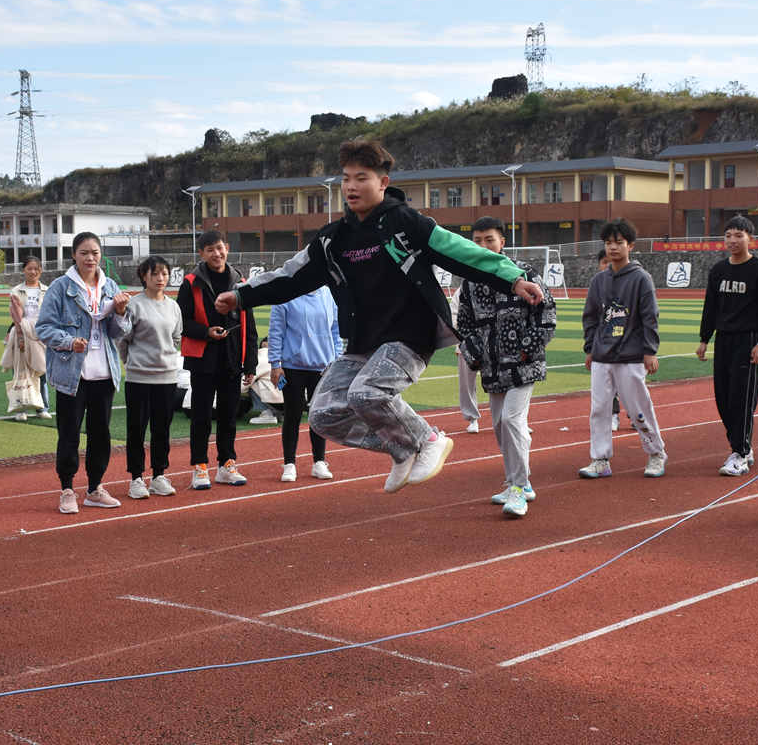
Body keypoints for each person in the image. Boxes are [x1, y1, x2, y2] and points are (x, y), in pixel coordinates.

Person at [215, 139, 544, 493]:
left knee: (366, 394)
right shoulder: (333, 240)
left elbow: (459, 251)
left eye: (362, 178)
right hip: (362, 343)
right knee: (324, 414)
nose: (351, 187)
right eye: (345, 179)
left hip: (408, 336)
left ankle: (428, 438)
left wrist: (512, 278)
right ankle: (401, 447)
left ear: (383, 183)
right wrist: (241, 295)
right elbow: (290, 276)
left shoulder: (404, 224)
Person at [456, 217, 556, 517]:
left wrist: (526, 349)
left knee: (512, 420)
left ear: (502, 242)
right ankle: (516, 482)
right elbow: (464, 324)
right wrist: (474, 353)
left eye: (489, 239)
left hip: (523, 366)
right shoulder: (471, 282)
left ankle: (518, 487)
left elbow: (547, 315)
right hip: (492, 368)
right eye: (477, 240)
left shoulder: (525, 274)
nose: (483, 245)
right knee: (501, 426)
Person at [35, 231, 131, 514]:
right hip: (71, 374)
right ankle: (67, 489)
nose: (90, 258)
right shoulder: (60, 287)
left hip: (104, 372)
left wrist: (122, 312)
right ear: (74, 255)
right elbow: (43, 328)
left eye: (95, 253)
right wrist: (68, 342)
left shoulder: (110, 285)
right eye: (84, 253)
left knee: (101, 434)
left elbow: (117, 333)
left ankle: (94, 488)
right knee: (69, 433)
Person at [580, 218, 667, 482]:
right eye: (608, 243)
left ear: (630, 245)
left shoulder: (641, 279)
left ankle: (656, 453)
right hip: (602, 356)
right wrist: (590, 348)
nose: (613, 248)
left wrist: (650, 351)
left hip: (630, 356)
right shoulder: (598, 281)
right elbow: (591, 317)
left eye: (618, 242)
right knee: (599, 409)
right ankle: (600, 458)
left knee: (638, 408)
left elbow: (650, 316)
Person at [178, 230, 258, 490]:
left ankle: (226, 463)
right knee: (201, 416)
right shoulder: (191, 283)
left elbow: (250, 326)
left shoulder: (240, 281)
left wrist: (251, 364)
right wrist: (206, 333)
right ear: (201, 253)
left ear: (228, 248)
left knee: (228, 416)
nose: (217, 254)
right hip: (203, 359)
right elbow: (182, 322)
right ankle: (200, 466)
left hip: (232, 359)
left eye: (220, 248)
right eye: (210, 249)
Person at [696, 215, 758, 477]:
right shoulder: (718, 270)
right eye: (728, 235)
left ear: (750, 239)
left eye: (738, 235)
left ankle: (740, 453)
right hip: (724, 340)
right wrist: (704, 339)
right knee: (724, 398)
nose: (733, 240)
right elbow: (711, 307)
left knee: (742, 399)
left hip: (749, 340)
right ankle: (742, 446)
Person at [118, 255, 181, 499]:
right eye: (155, 274)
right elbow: (123, 339)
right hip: (139, 378)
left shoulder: (173, 306)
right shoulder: (135, 305)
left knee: (161, 429)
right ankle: (136, 477)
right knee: (137, 429)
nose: (160, 278)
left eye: (164, 273)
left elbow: (176, 338)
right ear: (144, 276)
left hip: (166, 377)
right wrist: (131, 363)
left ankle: (158, 475)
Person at [268, 285, 344, 482]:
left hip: (323, 367)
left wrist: (337, 359)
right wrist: (275, 364)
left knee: (319, 415)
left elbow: (335, 329)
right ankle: (289, 464)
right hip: (292, 367)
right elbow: (276, 331)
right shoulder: (286, 294)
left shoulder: (328, 294)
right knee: (292, 415)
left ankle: (319, 462)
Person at [6, 255, 52, 421]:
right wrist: (19, 336)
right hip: (23, 333)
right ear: (23, 270)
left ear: (40, 270)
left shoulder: (48, 290)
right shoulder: (16, 291)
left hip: (41, 334)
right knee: (21, 371)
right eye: (29, 268)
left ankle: (42, 407)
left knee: (41, 371)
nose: (33, 271)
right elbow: (15, 316)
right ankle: (21, 407)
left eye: (36, 268)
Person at [597, 248, 623, 432]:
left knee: (630, 385)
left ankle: (637, 415)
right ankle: (613, 416)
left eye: (609, 262)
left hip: (626, 342)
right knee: (609, 384)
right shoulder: (597, 285)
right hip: (604, 344)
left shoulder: (627, 284)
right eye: (603, 262)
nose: (607, 266)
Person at [451, 288, 481, 434]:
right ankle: (472, 419)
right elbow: (453, 314)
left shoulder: (497, 285)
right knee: (467, 384)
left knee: (506, 381)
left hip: (494, 343)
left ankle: (517, 419)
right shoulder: (463, 289)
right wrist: (462, 339)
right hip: (467, 343)